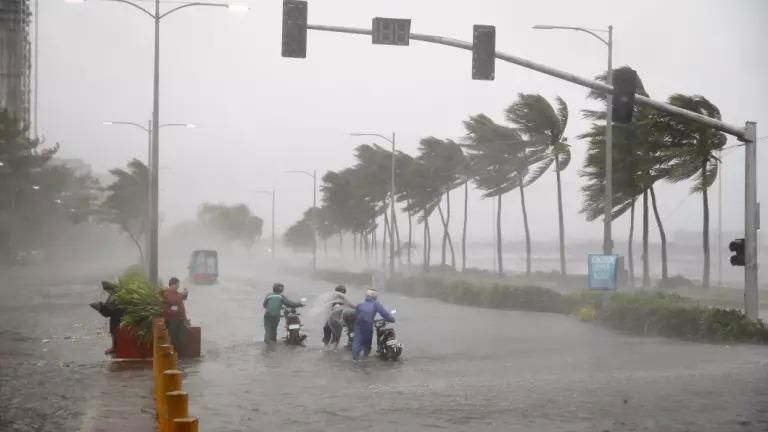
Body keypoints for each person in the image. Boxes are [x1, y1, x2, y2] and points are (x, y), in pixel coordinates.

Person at [352, 288, 395, 360]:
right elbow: (384, 313)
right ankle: (365, 359)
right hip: (367, 325)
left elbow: (356, 315)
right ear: (375, 297)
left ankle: (355, 360)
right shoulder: (375, 304)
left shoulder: (360, 304)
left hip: (358, 325)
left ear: (366, 295)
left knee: (357, 342)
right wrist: (392, 319)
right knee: (367, 343)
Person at [161, 277, 189, 356]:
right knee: (173, 338)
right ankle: (173, 355)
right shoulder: (167, 292)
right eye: (177, 284)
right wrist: (182, 294)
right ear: (172, 284)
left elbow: (181, 297)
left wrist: (185, 294)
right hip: (172, 319)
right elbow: (173, 300)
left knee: (182, 337)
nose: (178, 286)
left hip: (180, 318)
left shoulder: (176, 293)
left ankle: (180, 354)